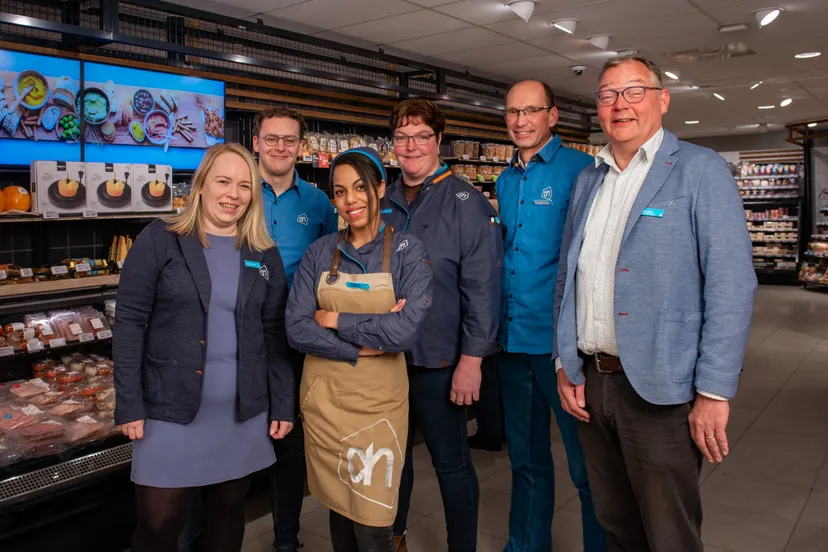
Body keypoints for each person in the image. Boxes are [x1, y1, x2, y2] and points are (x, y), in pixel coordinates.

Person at [553, 54, 757, 552]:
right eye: (607, 95)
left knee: (669, 534)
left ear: (662, 100)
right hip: (593, 383)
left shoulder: (700, 170)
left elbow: (731, 285)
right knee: (616, 524)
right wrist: (564, 361)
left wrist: (714, 392)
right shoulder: (589, 180)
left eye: (634, 91)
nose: (620, 105)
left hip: (662, 390)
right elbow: (568, 276)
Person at [114, 143, 296, 552]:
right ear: (201, 185)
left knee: (227, 516)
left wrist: (283, 404)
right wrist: (129, 403)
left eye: (244, 186)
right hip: (168, 410)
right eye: (223, 181)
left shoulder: (262, 251)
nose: (233, 194)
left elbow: (273, 332)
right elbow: (129, 322)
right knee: (158, 525)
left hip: (241, 413)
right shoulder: (160, 239)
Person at [285, 147, 433, 552]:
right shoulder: (320, 252)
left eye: (360, 187)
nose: (350, 200)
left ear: (380, 188)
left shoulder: (407, 251)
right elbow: (296, 327)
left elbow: (404, 331)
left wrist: (334, 319)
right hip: (325, 403)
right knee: (340, 506)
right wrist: (359, 348)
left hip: (378, 409)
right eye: (339, 191)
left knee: (373, 520)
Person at [383, 98, 503, 552]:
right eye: (402, 137)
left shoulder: (467, 204)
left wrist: (471, 362)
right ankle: (395, 539)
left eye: (421, 136)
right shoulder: (384, 200)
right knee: (394, 460)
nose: (411, 146)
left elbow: (482, 290)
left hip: (441, 360)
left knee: (451, 464)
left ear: (438, 140)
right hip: (386, 357)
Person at [496, 80, 605, 552]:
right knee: (525, 460)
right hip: (512, 341)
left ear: (552, 116)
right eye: (513, 112)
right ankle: (526, 545)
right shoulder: (506, 179)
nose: (521, 121)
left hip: (563, 348)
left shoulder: (584, 171)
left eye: (531, 110)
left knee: (587, 468)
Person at [253, 107, 339, 552]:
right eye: (271, 138)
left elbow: (333, 263)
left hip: (297, 336)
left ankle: (286, 538)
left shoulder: (318, 203)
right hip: (242, 331)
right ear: (256, 142)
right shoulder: (238, 190)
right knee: (237, 430)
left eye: (289, 140)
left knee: (289, 438)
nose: (280, 147)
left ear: (301, 147)